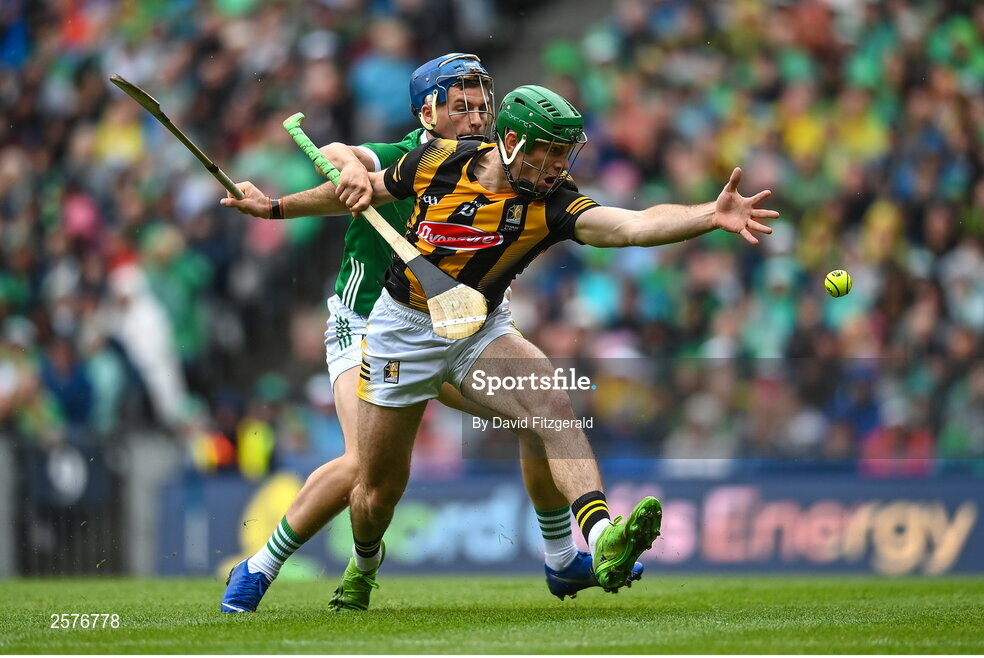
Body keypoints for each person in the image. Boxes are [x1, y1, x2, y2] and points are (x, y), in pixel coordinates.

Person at [315, 84, 778, 611]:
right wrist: (279, 205)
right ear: (510, 142)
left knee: (549, 402)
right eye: (548, 151)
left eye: (565, 152)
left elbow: (631, 226)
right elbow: (361, 188)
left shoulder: (554, 203)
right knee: (377, 493)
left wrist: (707, 216)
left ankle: (603, 538)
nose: (559, 164)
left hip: (478, 334)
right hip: (401, 330)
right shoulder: (439, 159)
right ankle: (364, 567)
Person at [219, 55, 640, 613]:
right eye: (460, 104)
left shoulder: (505, 167)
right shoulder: (408, 157)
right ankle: (261, 567)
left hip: (458, 328)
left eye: (482, 104)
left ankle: (563, 560)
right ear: (427, 111)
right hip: (370, 325)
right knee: (363, 469)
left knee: (541, 419)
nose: (476, 115)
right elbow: (348, 157)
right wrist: (303, 190)